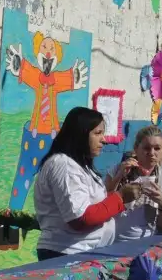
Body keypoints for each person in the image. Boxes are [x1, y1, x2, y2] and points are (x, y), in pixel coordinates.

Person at [34, 107, 143, 260]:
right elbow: (80, 219)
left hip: (82, 252)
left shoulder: (79, 166)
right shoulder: (64, 165)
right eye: (97, 133)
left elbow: (94, 205)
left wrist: (120, 193)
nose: (104, 140)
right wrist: (120, 197)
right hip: (66, 253)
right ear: (80, 134)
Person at [106, 126, 162, 241]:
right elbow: (102, 203)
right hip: (112, 241)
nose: (152, 153)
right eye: (146, 148)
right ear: (136, 148)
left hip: (145, 243)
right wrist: (119, 176)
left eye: (157, 148)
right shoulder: (118, 171)